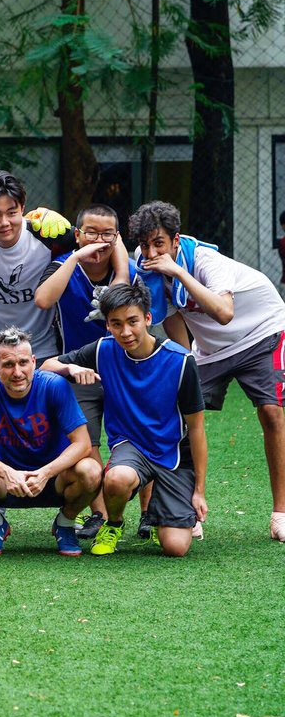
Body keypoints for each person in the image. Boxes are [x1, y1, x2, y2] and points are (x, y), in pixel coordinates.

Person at [128, 201, 285, 541]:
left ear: (175, 239)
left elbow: (224, 312)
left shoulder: (204, 261)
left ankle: (280, 513)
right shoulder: (146, 271)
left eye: (159, 243)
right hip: (211, 350)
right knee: (180, 416)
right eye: (145, 245)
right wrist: (184, 363)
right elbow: (171, 316)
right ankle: (185, 508)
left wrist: (179, 272)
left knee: (272, 413)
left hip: (262, 332)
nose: (152, 252)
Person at [41, 282, 207, 556]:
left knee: (176, 548)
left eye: (133, 321)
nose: (125, 332)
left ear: (148, 318)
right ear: (107, 325)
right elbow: (47, 366)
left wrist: (199, 491)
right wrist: (71, 367)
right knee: (117, 478)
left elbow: (197, 429)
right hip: (131, 447)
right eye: (116, 324)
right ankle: (114, 523)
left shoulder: (181, 361)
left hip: (174, 454)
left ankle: (160, 515)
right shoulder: (103, 350)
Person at [0, 327, 102, 556]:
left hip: (55, 479)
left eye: (23, 363)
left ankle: (65, 523)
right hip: (8, 482)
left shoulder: (54, 385)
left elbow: (82, 443)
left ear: (33, 362)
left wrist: (45, 473)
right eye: (8, 365)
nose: (17, 372)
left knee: (91, 470)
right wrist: (6, 473)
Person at [34, 203, 132, 538]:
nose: (98, 240)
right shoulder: (62, 266)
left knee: (141, 435)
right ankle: (99, 515)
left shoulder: (125, 272)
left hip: (124, 367)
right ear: (77, 235)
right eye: (91, 232)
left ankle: (150, 513)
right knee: (86, 440)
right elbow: (44, 300)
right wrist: (77, 256)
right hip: (77, 365)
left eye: (107, 234)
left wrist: (111, 246)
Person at [0, 171, 70, 375]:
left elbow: (100, 237)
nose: (4, 222)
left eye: (11, 212)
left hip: (42, 346)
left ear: (22, 209)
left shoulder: (47, 236)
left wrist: (121, 276)